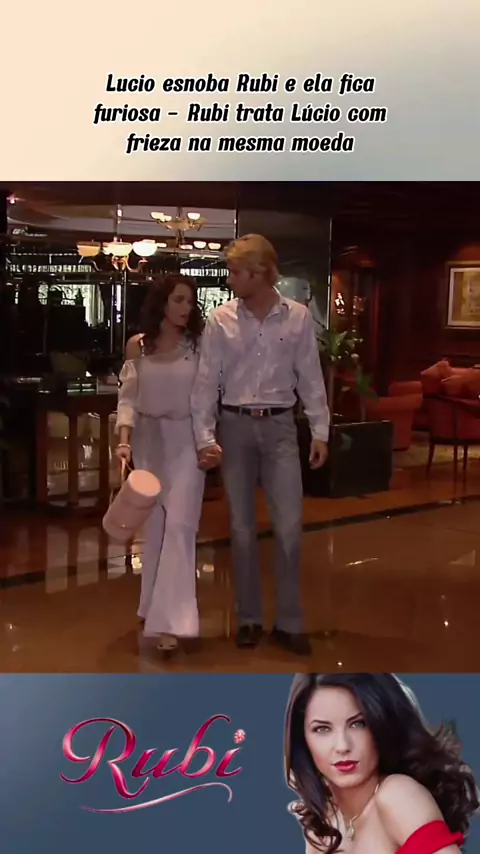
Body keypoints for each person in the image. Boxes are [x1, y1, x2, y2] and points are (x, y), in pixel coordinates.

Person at [190, 234, 330, 657]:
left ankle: (289, 622)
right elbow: (205, 382)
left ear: (260, 272)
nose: (230, 279)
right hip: (234, 426)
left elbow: (310, 376)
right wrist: (204, 437)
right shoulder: (220, 320)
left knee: (289, 527)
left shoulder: (297, 317)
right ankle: (248, 618)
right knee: (241, 529)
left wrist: (320, 430)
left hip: (280, 426)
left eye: (236, 272)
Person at [284, 673, 479, 853]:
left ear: (382, 725)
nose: (342, 746)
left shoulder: (397, 795)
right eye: (322, 729)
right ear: (303, 740)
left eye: (358, 724)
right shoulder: (323, 826)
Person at [115, 275, 205, 657]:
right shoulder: (138, 345)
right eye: (179, 300)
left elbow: (206, 398)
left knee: (181, 527)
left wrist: (209, 440)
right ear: (162, 303)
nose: (186, 308)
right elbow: (127, 398)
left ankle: (171, 623)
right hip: (150, 441)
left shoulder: (197, 345)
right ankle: (151, 604)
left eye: (190, 301)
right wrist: (123, 441)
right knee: (155, 529)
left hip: (186, 440)